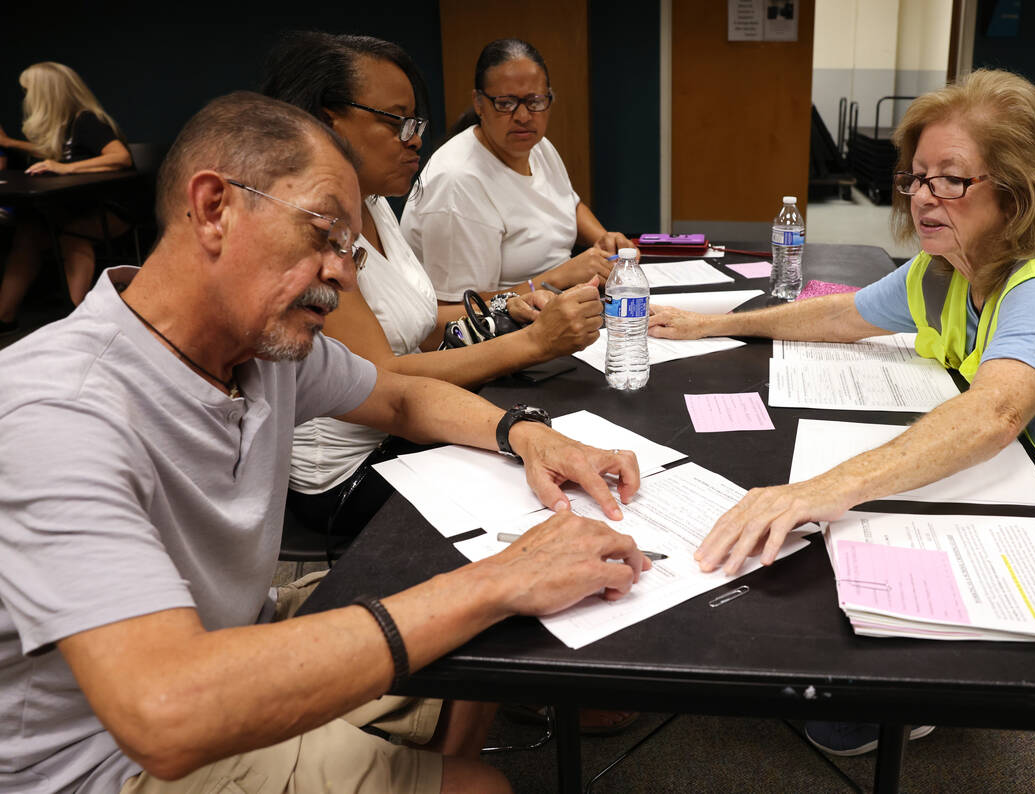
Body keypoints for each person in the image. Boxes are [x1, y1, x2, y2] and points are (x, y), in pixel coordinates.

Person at [0, 91, 650, 794]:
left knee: (494, 628)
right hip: (107, 759)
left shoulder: (260, 346)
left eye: (349, 247)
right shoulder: (55, 410)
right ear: (215, 208)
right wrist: (496, 582)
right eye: (324, 233)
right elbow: (165, 713)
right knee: (487, 722)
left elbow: (399, 396)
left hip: (233, 634)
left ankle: (438, 762)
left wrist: (525, 436)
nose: (342, 272)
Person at [648, 69, 1035, 754]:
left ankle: (907, 697)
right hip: (1014, 493)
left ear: (1018, 190)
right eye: (918, 178)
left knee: (841, 528)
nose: (925, 198)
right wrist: (713, 325)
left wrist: (818, 491)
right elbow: (844, 313)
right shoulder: (950, 266)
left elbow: (992, 417)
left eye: (951, 180)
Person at [260, 31, 604, 541]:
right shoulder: (310, 234)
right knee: (549, 505)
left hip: (406, 426)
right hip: (349, 472)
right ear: (327, 121)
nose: (415, 137)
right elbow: (386, 379)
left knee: (561, 463)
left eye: (415, 121)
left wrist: (512, 305)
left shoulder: (375, 205)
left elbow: (419, 325)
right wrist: (532, 343)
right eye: (398, 121)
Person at [400, 37, 635, 304]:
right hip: (495, 330)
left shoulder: (538, 147)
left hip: (557, 303)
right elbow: (457, 311)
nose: (523, 116)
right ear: (479, 103)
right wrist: (560, 277)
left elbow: (568, 204)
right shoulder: (457, 183)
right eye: (505, 103)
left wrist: (604, 239)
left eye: (534, 101)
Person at [0, 62, 133, 331]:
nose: (27, 99)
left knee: (73, 236)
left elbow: (121, 157)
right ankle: (4, 318)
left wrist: (64, 167)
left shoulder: (86, 120)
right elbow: (52, 150)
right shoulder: (65, 126)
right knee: (28, 234)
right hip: (74, 208)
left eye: (30, 91)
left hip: (110, 210)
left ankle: (73, 323)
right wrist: (10, 144)